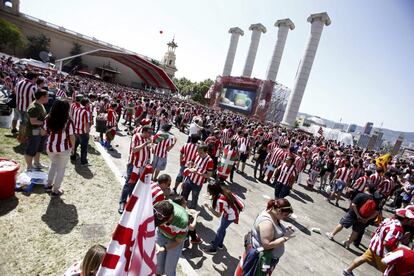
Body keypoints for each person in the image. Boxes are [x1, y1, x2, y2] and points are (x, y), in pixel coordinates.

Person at [342, 207, 414, 276]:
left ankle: (347, 270)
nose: (411, 221)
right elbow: (387, 243)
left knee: (362, 258)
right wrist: (389, 254)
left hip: (374, 245)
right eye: (409, 219)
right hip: (381, 253)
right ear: (405, 220)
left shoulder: (388, 220)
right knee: (388, 271)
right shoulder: (397, 229)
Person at [235, 199, 295, 275]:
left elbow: (273, 230)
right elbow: (266, 245)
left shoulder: (271, 212)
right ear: (279, 211)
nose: (285, 218)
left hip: (268, 259)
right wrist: (285, 238)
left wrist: (284, 229)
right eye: (285, 215)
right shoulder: (267, 223)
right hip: (261, 261)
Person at [44, 100, 75, 196]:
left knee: (53, 164)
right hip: (64, 148)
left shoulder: (48, 118)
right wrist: (73, 148)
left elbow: (44, 131)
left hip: (51, 147)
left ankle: (48, 184)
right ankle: (55, 190)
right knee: (61, 169)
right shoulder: (68, 121)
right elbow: (71, 137)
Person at [118, 125, 152, 214]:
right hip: (134, 165)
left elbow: (146, 151)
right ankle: (122, 202)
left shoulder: (147, 139)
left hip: (142, 166)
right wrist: (145, 144)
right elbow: (134, 150)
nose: (150, 134)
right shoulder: (136, 136)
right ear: (144, 131)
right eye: (149, 132)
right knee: (128, 184)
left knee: (136, 185)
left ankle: (131, 202)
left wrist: (149, 147)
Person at [203, 182, 244, 254]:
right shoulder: (224, 191)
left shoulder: (220, 200)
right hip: (231, 213)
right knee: (222, 228)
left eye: (209, 190)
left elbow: (218, 215)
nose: (208, 191)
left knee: (220, 230)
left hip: (230, 215)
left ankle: (213, 249)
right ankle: (220, 244)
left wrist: (209, 208)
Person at [155, 200, 189, 276]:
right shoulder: (157, 209)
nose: (160, 224)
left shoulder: (182, 221)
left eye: (160, 223)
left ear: (170, 217)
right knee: (158, 263)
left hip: (175, 240)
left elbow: (178, 241)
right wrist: (156, 245)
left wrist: (163, 248)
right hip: (161, 234)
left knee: (169, 268)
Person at [181, 143, 214, 209]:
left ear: (206, 151)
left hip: (198, 184)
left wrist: (197, 173)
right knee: (184, 194)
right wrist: (189, 163)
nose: (199, 154)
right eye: (198, 152)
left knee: (194, 198)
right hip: (189, 179)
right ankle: (181, 207)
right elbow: (192, 162)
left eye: (201, 153)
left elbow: (208, 175)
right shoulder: (197, 154)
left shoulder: (209, 161)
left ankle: (192, 211)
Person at [25, 89, 48, 171]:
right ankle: (29, 166)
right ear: (42, 97)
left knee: (38, 148)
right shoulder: (34, 107)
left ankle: (37, 163)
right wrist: (45, 123)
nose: (48, 97)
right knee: (31, 149)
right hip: (34, 132)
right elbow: (33, 121)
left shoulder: (40, 104)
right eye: (47, 96)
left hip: (40, 132)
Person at [14, 71, 38, 142]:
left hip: (19, 105)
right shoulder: (32, 86)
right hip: (27, 108)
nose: (37, 80)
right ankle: (21, 138)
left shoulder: (19, 83)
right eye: (36, 78)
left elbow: (15, 92)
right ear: (33, 78)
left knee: (22, 123)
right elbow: (36, 97)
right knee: (24, 124)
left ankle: (20, 137)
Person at [71, 98, 91, 165]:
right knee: (84, 147)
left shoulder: (77, 109)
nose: (89, 105)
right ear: (86, 104)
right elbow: (86, 123)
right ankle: (83, 161)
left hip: (76, 131)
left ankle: (73, 156)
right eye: (88, 103)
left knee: (75, 144)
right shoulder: (86, 112)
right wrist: (87, 132)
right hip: (83, 132)